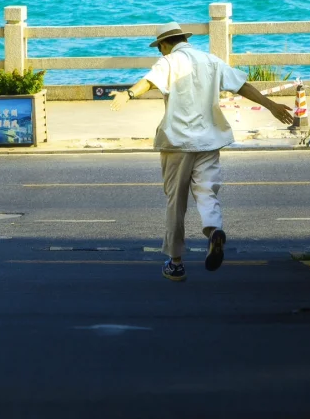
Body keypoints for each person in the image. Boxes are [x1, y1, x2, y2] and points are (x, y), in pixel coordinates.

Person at [111, 21, 295, 281]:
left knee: (176, 202)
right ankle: (214, 230)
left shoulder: (170, 61)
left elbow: (149, 82)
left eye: (160, 48)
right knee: (207, 191)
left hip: (177, 142)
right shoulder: (210, 60)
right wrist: (270, 105)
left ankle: (175, 263)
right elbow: (241, 84)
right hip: (209, 140)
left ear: (164, 44)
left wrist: (127, 95)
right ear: (184, 38)